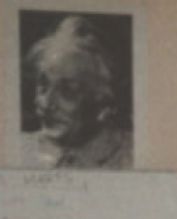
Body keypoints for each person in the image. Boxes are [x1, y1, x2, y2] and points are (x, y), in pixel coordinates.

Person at [19, 16, 133, 169]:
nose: (47, 104)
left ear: (101, 98)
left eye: (67, 91)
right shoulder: (21, 150)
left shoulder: (131, 156)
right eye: (43, 85)